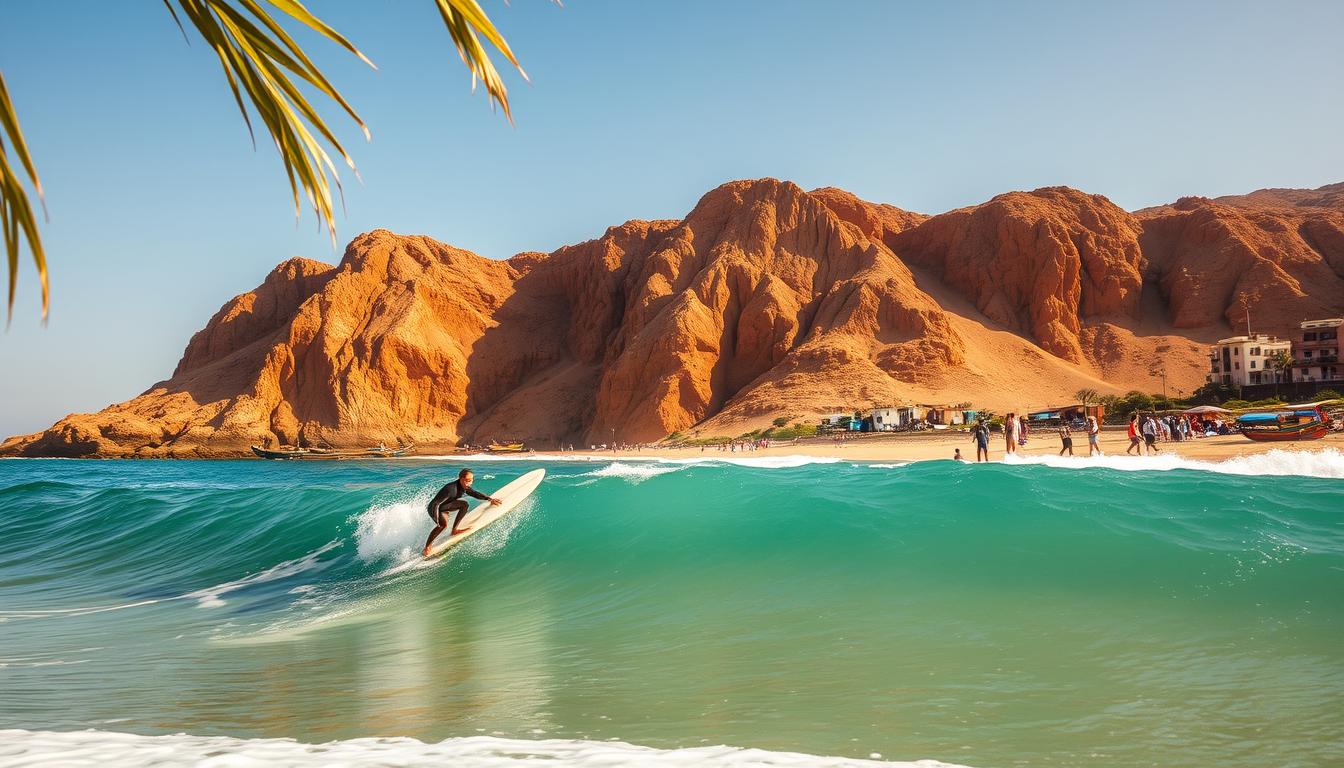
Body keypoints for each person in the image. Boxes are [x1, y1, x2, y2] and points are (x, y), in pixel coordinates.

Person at [423, 468, 501, 556]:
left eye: (471, 480)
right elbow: (436, 504)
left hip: (445, 505)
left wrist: (489, 499)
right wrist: (437, 520)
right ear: (461, 479)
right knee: (442, 525)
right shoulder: (451, 489)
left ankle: (454, 530)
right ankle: (427, 547)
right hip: (434, 508)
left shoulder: (464, 487)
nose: (470, 483)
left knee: (464, 504)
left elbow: (475, 493)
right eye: (468, 480)